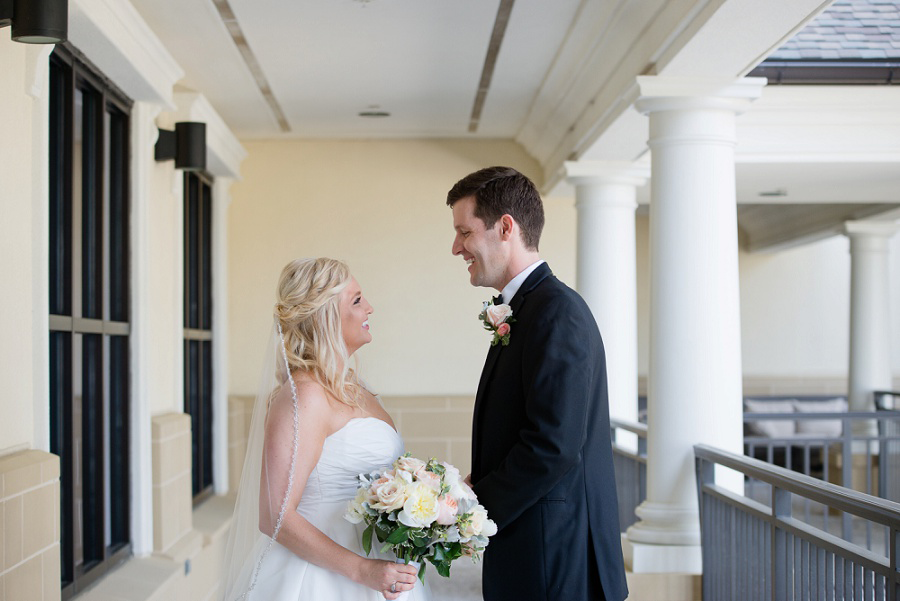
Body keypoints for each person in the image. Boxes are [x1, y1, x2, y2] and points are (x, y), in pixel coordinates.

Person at [446, 166, 628, 601]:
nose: (456, 248)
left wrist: (475, 507)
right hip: (536, 545)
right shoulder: (529, 308)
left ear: (505, 227)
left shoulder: (555, 312)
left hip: (553, 556)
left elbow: (553, 445)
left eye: (464, 232)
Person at [221, 258, 424, 601]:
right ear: (324, 316)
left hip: (377, 561)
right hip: (321, 576)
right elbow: (274, 516)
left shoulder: (354, 386)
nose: (370, 307)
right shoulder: (306, 396)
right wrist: (362, 570)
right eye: (357, 300)